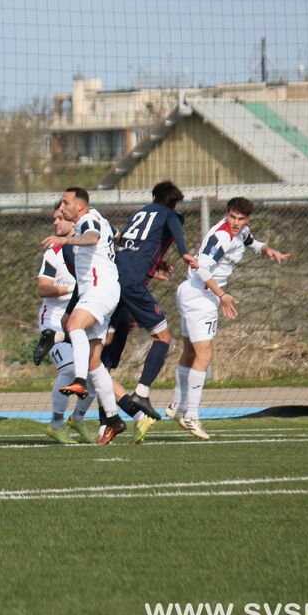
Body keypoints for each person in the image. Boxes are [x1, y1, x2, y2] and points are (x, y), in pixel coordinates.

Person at [170, 197, 289, 440]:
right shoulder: (222, 236)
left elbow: (252, 242)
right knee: (205, 356)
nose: (235, 222)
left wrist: (268, 250)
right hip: (201, 297)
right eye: (232, 217)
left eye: (240, 219)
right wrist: (222, 295)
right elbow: (200, 268)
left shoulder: (242, 232)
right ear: (227, 214)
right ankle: (191, 414)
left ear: (247, 219)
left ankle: (175, 406)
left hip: (193, 294)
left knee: (190, 353)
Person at [100, 180, 199, 444]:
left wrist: (157, 263)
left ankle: (106, 421)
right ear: (174, 202)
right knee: (163, 338)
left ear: (154, 196)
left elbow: (129, 244)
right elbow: (176, 232)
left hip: (113, 278)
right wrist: (185, 253)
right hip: (132, 283)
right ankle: (141, 393)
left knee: (103, 351)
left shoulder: (140, 213)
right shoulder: (171, 215)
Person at [42, 187, 125, 444]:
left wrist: (66, 241)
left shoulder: (87, 220)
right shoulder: (99, 218)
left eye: (65, 203)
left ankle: (78, 380)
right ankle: (114, 419)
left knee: (74, 325)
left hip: (100, 290)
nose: (62, 207)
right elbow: (114, 237)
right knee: (94, 362)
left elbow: (91, 237)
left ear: (80, 205)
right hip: (103, 291)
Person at [35, 208, 95, 444]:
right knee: (70, 370)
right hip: (54, 322)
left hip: (83, 319)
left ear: (74, 222)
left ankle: (77, 419)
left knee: (95, 373)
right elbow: (43, 287)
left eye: (60, 218)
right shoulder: (54, 252)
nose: (56, 222)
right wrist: (72, 289)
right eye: (54, 219)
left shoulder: (90, 251)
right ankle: (56, 424)